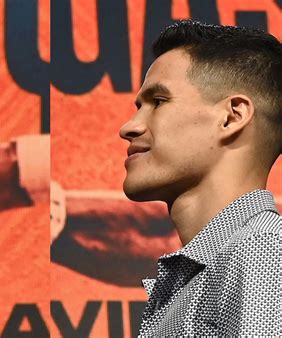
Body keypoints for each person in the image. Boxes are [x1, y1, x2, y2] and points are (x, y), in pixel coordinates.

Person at [119, 20, 281, 336]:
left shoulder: (260, 252)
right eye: (139, 106)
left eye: (159, 102)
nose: (129, 127)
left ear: (232, 116)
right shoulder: (218, 265)